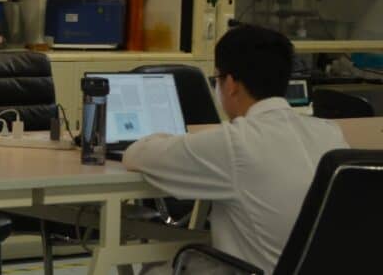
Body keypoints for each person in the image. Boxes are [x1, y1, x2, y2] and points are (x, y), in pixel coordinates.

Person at [124, 25, 349, 273]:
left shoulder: (234, 143)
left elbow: (137, 154)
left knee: (153, 270)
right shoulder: (330, 133)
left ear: (230, 84)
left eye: (216, 80)